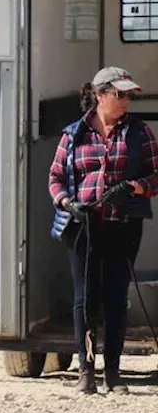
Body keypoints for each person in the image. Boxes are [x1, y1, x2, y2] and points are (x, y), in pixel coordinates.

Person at [48, 66, 158, 395]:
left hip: (122, 226)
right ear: (100, 95)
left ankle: (113, 373)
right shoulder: (73, 134)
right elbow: (54, 178)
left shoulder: (140, 133)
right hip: (82, 228)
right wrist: (67, 203)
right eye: (119, 94)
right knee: (85, 299)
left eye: (128, 95)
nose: (125, 100)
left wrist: (136, 187)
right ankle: (86, 370)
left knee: (115, 297)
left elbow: (156, 174)